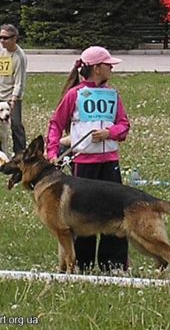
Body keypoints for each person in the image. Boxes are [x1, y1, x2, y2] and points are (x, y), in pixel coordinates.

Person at [46, 46, 130, 273]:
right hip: (83, 163)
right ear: (96, 68)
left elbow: (124, 125)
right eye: (108, 64)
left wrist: (109, 133)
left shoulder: (113, 94)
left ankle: (113, 264)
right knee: (82, 216)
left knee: (115, 213)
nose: (112, 67)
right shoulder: (74, 95)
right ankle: (81, 264)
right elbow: (55, 124)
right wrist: (52, 152)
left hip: (109, 162)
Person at [0, 24, 27, 154]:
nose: (2, 41)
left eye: (6, 38)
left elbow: (19, 81)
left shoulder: (19, 56)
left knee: (15, 125)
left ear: (14, 38)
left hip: (11, 96)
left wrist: (14, 100)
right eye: (0, 37)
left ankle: (20, 153)